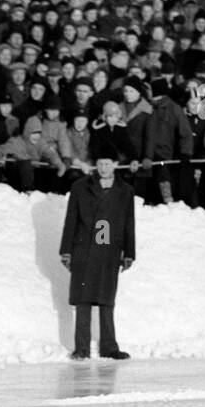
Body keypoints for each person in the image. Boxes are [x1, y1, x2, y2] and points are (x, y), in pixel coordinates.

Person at [59, 140, 135, 360]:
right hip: (84, 249)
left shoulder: (125, 191)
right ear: (95, 165)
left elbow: (129, 223)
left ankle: (109, 347)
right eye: (100, 164)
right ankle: (81, 349)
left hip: (110, 250)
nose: (103, 168)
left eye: (107, 164)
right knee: (83, 300)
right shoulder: (80, 187)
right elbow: (70, 220)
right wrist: (66, 250)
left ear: (115, 165)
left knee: (106, 300)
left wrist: (129, 252)